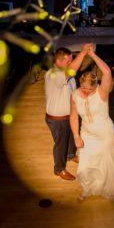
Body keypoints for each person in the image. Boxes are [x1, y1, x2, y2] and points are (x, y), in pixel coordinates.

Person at [70, 46, 114, 201]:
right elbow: (72, 116)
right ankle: (87, 188)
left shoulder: (101, 92)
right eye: (82, 88)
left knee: (107, 162)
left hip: (105, 133)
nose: (84, 91)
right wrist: (76, 136)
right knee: (87, 163)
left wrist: (92, 54)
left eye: (88, 90)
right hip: (87, 133)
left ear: (95, 86)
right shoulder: (74, 95)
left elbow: (107, 72)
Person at [45, 44, 92, 180]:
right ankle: (59, 169)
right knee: (61, 144)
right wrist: (83, 53)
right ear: (58, 61)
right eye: (68, 61)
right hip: (57, 119)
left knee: (71, 137)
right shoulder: (53, 74)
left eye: (71, 60)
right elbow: (71, 71)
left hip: (69, 116)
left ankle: (71, 155)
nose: (70, 63)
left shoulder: (67, 75)